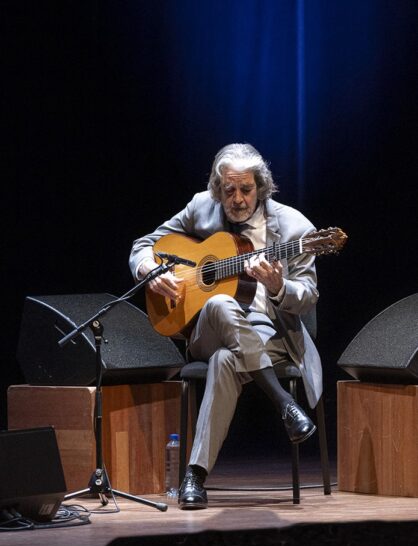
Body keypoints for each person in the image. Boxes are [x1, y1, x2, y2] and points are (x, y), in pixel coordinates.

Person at [129, 143, 321, 510]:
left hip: (271, 335)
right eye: (228, 190)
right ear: (218, 190)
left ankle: (194, 476)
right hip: (206, 328)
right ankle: (283, 402)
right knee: (218, 302)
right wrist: (148, 271)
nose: (236, 199)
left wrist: (279, 286)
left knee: (224, 362)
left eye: (245, 189)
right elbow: (144, 245)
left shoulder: (298, 229)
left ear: (261, 187)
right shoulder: (201, 206)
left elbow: (309, 296)